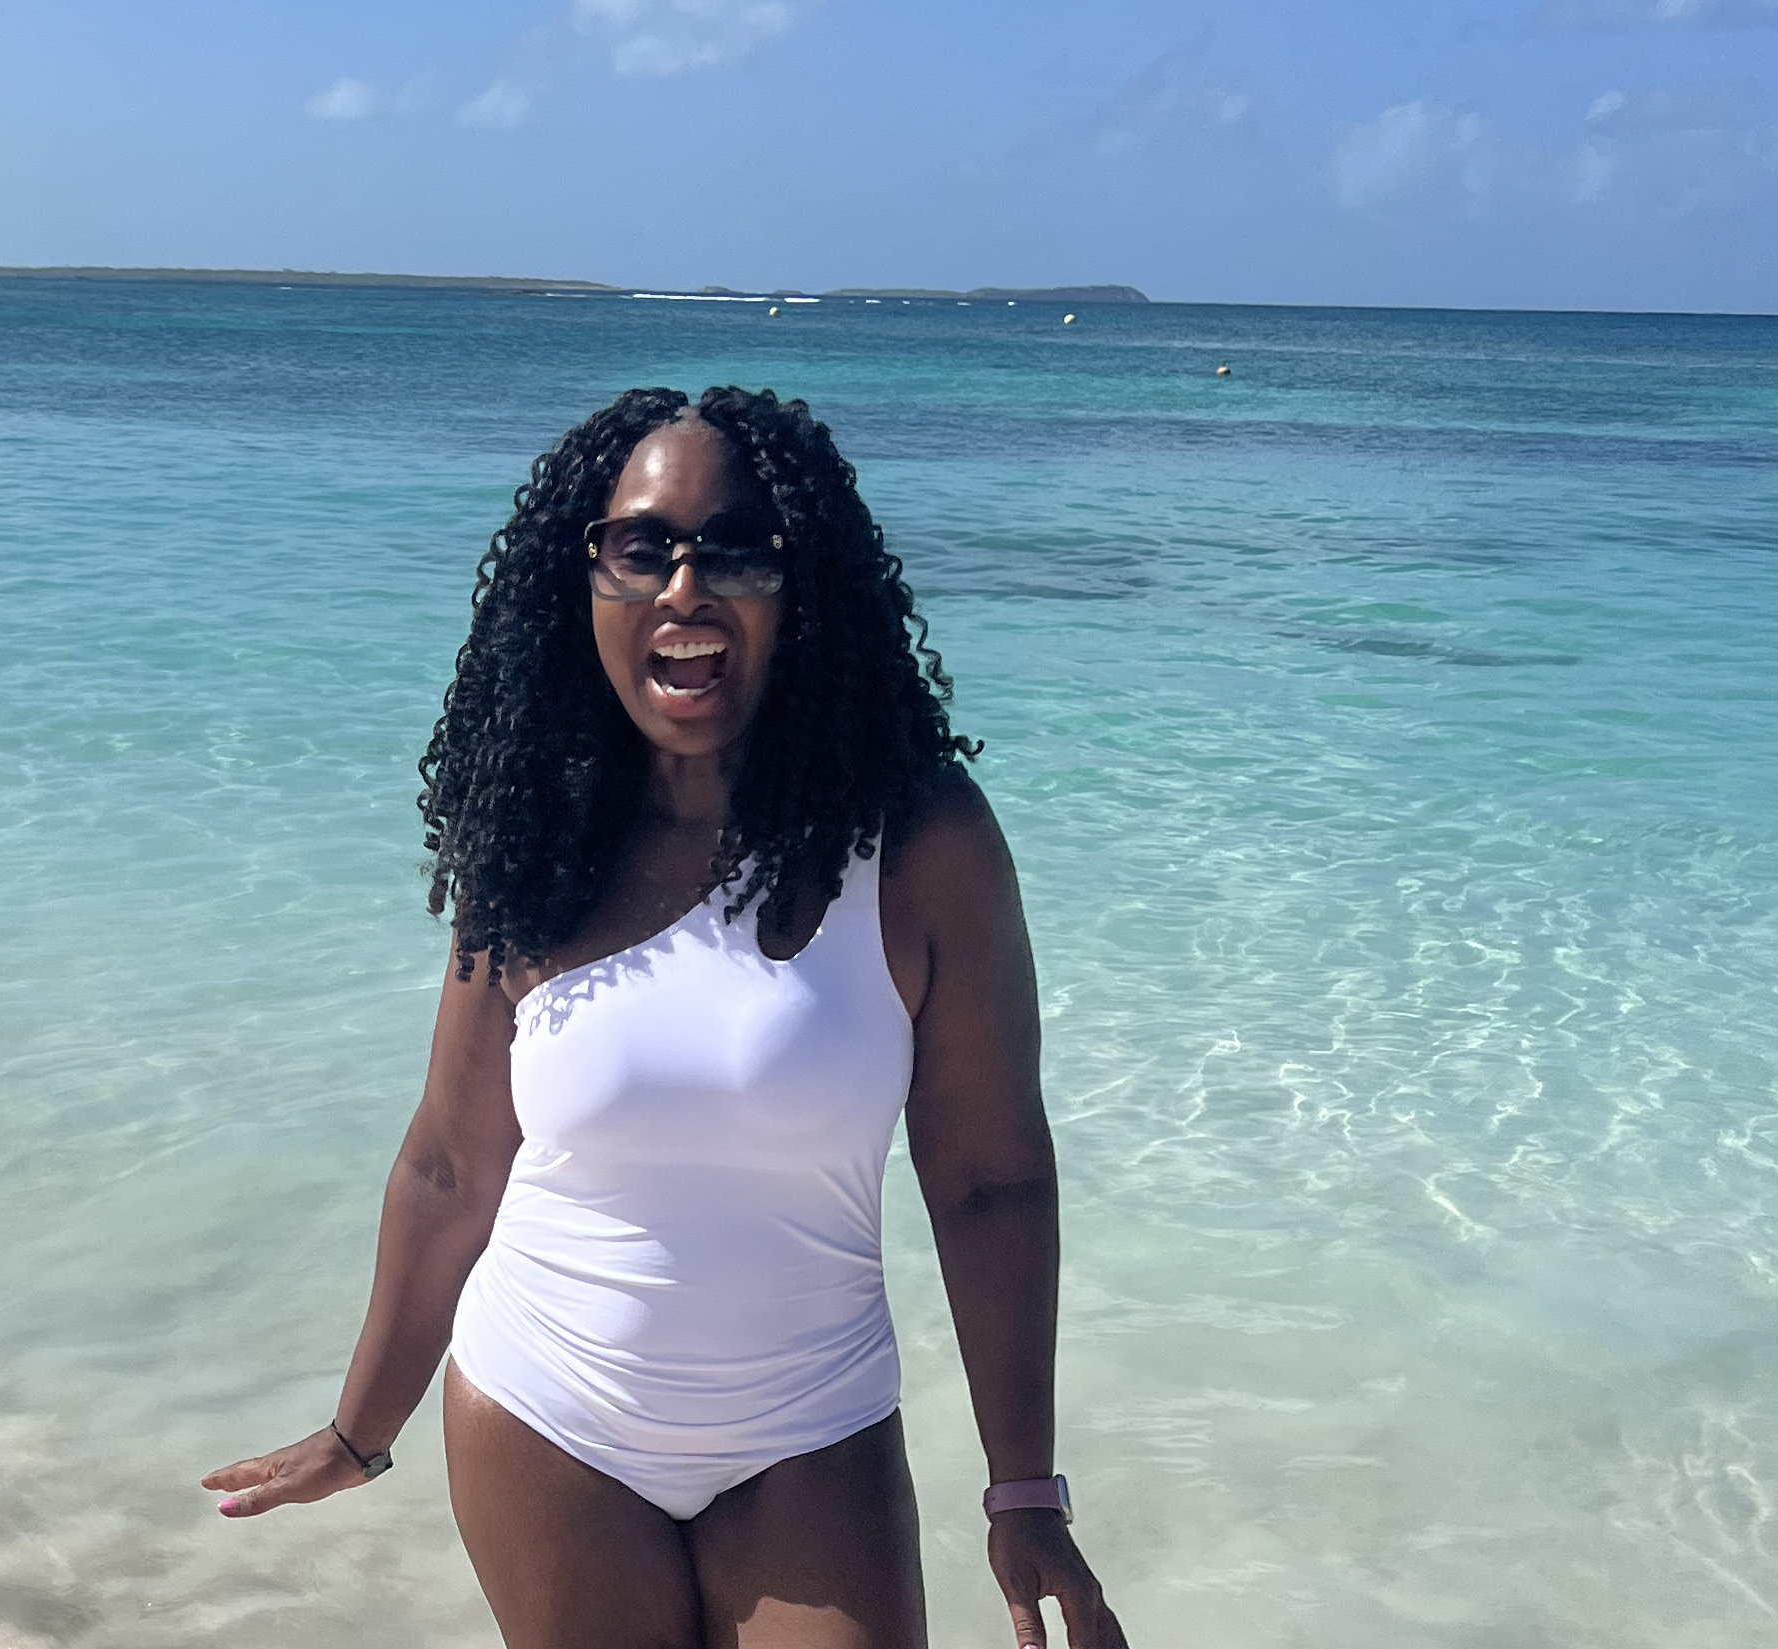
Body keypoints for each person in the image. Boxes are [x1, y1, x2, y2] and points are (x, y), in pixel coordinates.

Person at [203, 386, 1128, 1649]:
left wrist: (1025, 1489)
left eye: (736, 547)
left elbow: (989, 1179)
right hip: (547, 1409)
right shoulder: (535, 844)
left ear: (802, 587)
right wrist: (360, 1431)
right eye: (643, 548)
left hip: (812, 1422)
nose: (685, 588)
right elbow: (451, 1161)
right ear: (584, 582)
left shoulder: (919, 843)